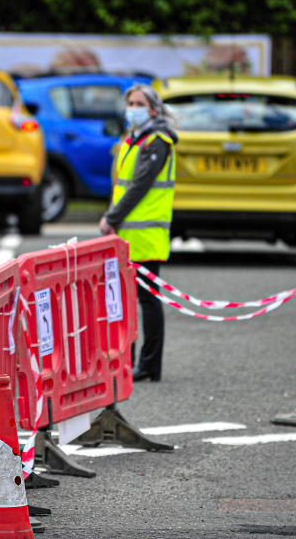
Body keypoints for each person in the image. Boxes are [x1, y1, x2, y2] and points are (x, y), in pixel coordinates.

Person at [99, 84, 177, 383]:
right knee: (128, 301)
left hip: (145, 236)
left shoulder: (157, 141)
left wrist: (111, 217)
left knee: (147, 300)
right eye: (130, 102)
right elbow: (121, 186)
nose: (132, 107)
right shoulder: (134, 139)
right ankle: (129, 362)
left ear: (153, 110)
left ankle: (149, 365)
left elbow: (139, 186)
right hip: (128, 234)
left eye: (139, 103)